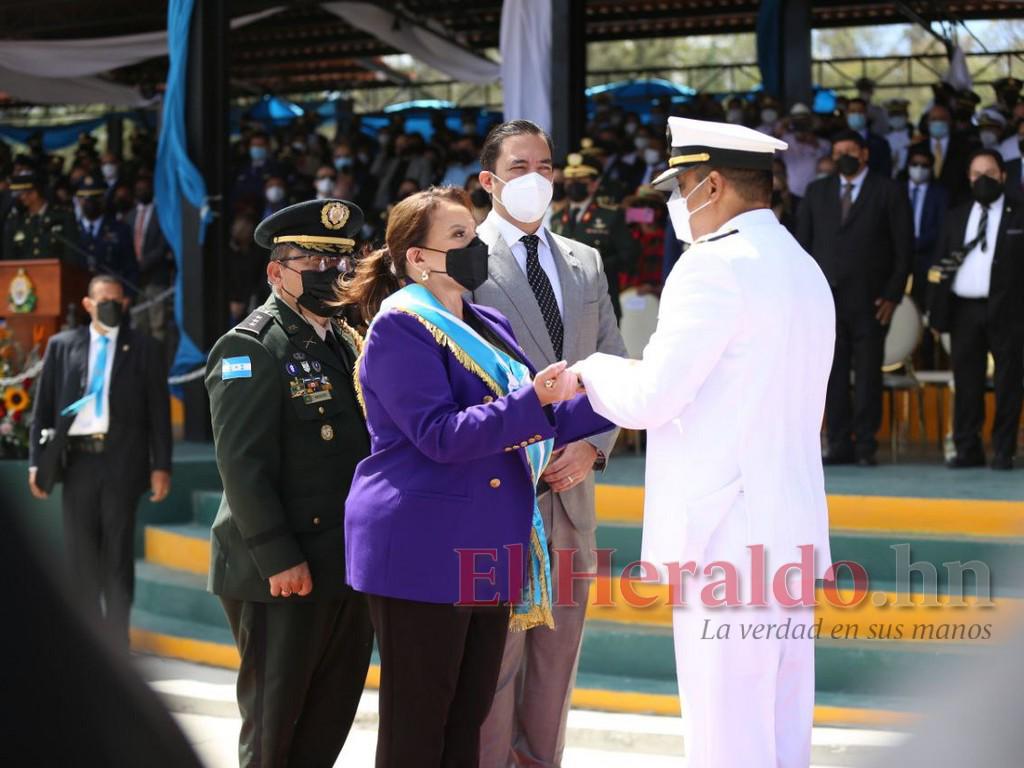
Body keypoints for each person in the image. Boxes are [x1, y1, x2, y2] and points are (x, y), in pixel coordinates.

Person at [571, 116, 835, 768]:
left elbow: (655, 396)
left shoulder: (712, 267)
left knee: (727, 734)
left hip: (728, 532)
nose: (672, 204)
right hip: (789, 527)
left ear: (712, 184)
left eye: (679, 186)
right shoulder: (803, 266)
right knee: (780, 725)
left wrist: (585, 372)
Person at [341, 186, 612, 768]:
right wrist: (535, 400)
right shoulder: (403, 327)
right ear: (418, 258)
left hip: (488, 543)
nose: (475, 248)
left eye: (474, 236)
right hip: (424, 545)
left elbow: (536, 418)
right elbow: (440, 434)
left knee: (467, 718)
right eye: (459, 238)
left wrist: (618, 399)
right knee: (419, 725)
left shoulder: (486, 322)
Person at [471, 121, 627, 766]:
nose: (536, 178)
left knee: (557, 663)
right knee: (494, 664)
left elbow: (614, 361)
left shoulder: (584, 259)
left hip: (573, 490)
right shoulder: (464, 258)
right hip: (498, 491)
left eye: (546, 166)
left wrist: (595, 445)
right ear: (488, 181)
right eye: (519, 167)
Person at [205, 199, 374, 768]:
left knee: (328, 718)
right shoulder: (250, 347)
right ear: (277, 272)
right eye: (315, 262)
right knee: (275, 729)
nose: (333, 276)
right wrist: (279, 558)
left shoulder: (348, 341)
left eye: (342, 264)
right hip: (281, 570)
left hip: (343, 563)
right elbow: (241, 465)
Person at [28, 274, 172, 645]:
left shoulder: (143, 347)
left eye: (117, 300)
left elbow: (158, 411)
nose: (110, 305)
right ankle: (85, 645)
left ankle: (117, 644)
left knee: (117, 557)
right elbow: (42, 409)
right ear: (89, 304)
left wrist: (161, 466)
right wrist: (35, 462)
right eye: (102, 299)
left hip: (121, 462)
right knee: (80, 558)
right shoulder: (63, 345)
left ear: (125, 304)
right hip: (77, 464)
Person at [798, 130, 913, 466]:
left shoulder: (888, 191)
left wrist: (892, 295)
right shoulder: (817, 191)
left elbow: (903, 250)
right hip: (825, 302)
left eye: (850, 150)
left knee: (867, 376)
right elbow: (801, 248)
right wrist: (805, 295)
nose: (843, 156)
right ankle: (837, 444)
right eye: (838, 151)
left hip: (871, 302)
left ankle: (865, 445)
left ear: (864, 154)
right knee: (830, 375)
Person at [928, 150, 1024, 470]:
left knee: (1008, 381)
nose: (983, 179)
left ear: (1003, 176)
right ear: (968, 178)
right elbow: (939, 266)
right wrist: (936, 313)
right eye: (976, 173)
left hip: (1008, 311)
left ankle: (1003, 450)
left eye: (990, 172)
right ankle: (967, 448)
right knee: (966, 382)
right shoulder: (956, 214)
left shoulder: (1019, 213)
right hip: (964, 310)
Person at [548, 151, 639, 320]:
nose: (573, 184)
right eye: (570, 180)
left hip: (601, 300)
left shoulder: (610, 215)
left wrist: (595, 265)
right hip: (566, 304)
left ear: (594, 184)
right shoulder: (557, 219)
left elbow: (629, 255)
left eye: (581, 180)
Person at [125, 169, 174, 343]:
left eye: (145, 188)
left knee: (157, 324)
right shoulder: (129, 216)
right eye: (138, 189)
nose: (141, 191)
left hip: (155, 277)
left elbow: (162, 246)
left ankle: (159, 366)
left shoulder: (161, 215)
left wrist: (143, 264)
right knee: (139, 325)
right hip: (135, 280)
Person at [905, 147, 949, 315]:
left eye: (924, 165)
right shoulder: (895, 190)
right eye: (915, 164)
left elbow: (942, 227)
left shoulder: (941, 194)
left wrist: (916, 243)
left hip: (928, 257)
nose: (919, 169)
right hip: (898, 256)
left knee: (923, 304)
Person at [76, 176, 139, 293]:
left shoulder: (120, 229)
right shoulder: (72, 229)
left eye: (94, 198)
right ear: (78, 200)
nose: (89, 202)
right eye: (84, 198)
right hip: (77, 293)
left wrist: (128, 295)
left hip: (111, 293)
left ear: (103, 199)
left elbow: (130, 267)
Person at [2, 170, 79, 262]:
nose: (19, 198)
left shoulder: (62, 217)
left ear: (34, 194)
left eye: (21, 194)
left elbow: (71, 255)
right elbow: (9, 258)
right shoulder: (16, 221)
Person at [910, 103, 975, 207]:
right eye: (934, 119)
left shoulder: (965, 148)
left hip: (956, 205)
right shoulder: (916, 148)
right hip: (923, 206)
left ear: (950, 121)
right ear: (927, 122)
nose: (938, 122)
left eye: (942, 118)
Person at [846, 98, 893, 178]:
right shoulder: (837, 141)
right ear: (846, 114)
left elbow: (885, 172)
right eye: (853, 111)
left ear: (866, 114)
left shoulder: (880, 143)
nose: (856, 115)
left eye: (860, 111)